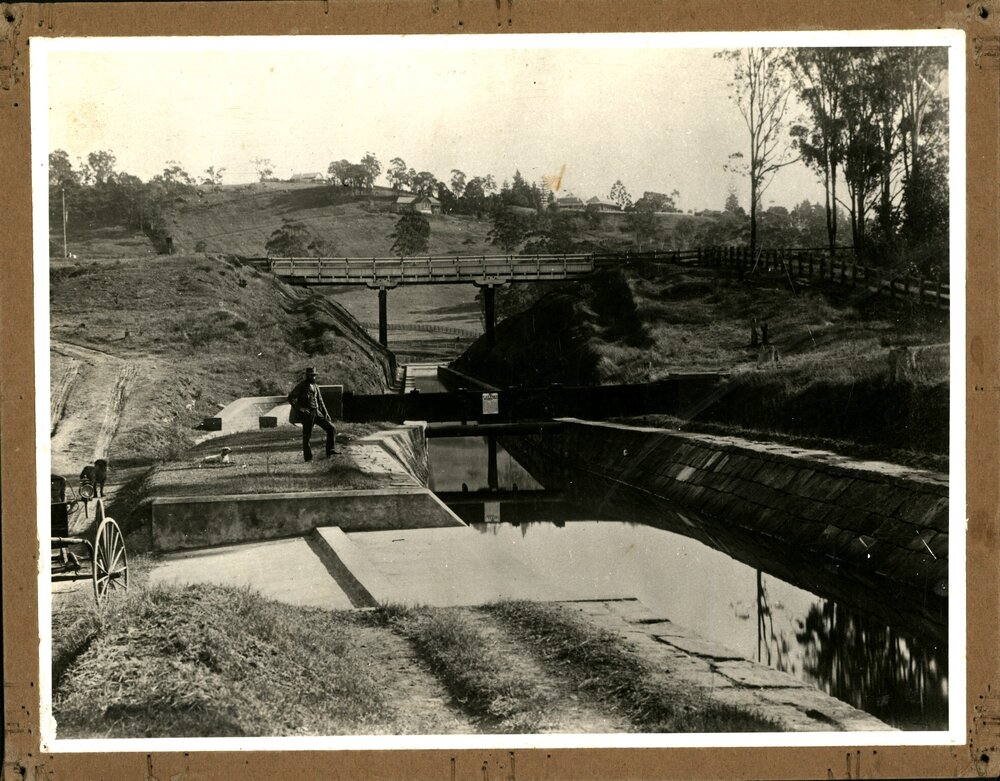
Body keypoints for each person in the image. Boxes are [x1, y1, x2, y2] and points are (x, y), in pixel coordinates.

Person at [287, 367, 338, 462]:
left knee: (332, 428)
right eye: (311, 375)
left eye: (314, 375)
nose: (313, 377)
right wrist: (301, 409)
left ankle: (330, 450)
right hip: (307, 414)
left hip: (317, 412)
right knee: (307, 437)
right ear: (307, 375)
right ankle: (308, 458)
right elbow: (291, 398)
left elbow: (320, 400)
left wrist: (326, 413)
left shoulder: (315, 386)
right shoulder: (301, 386)